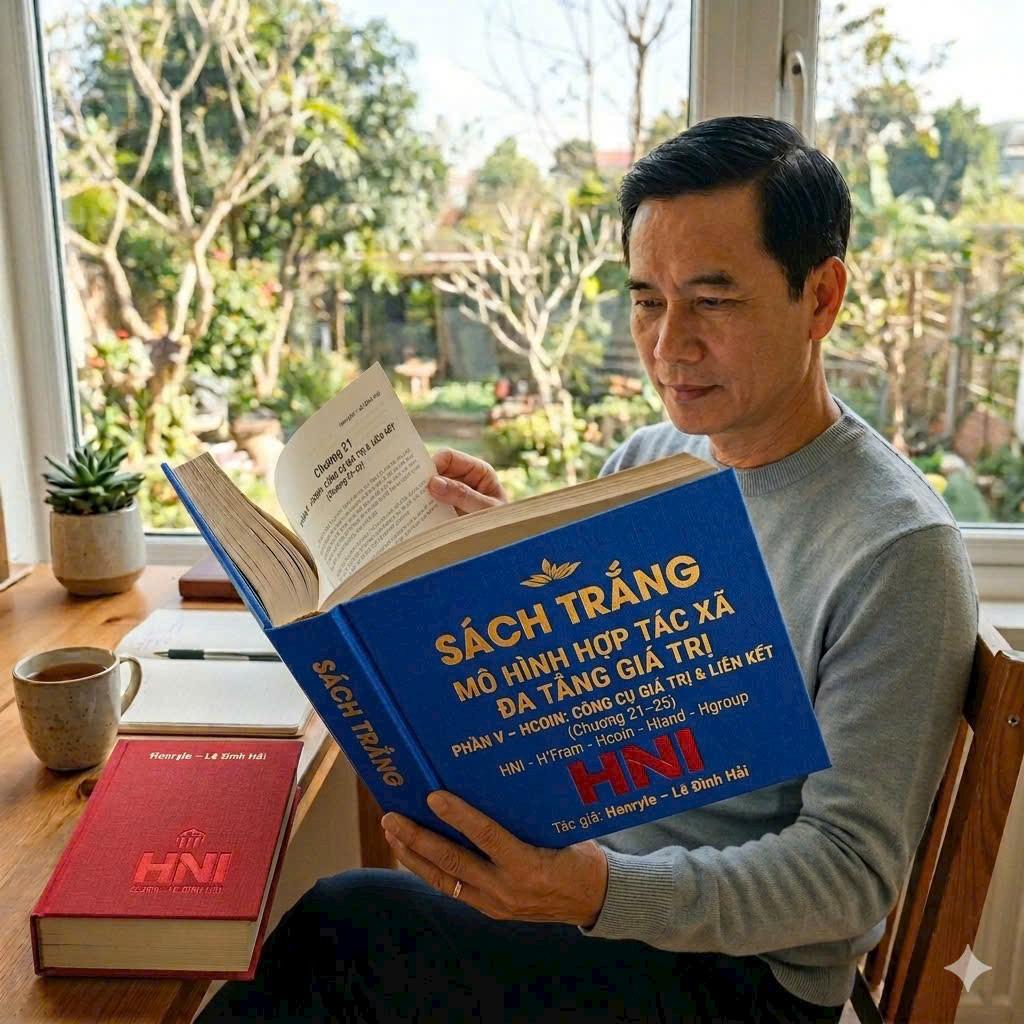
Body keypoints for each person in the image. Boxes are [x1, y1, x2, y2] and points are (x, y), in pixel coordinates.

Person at [198, 116, 978, 1023]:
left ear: (821, 297)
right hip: (595, 908)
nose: (670, 344)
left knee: (345, 933)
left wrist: (595, 892)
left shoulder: (896, 548)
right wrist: (487, 553)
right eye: (647, 300)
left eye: (713, 301)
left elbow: (847, 875)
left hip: (738, 982)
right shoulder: (653, 461)